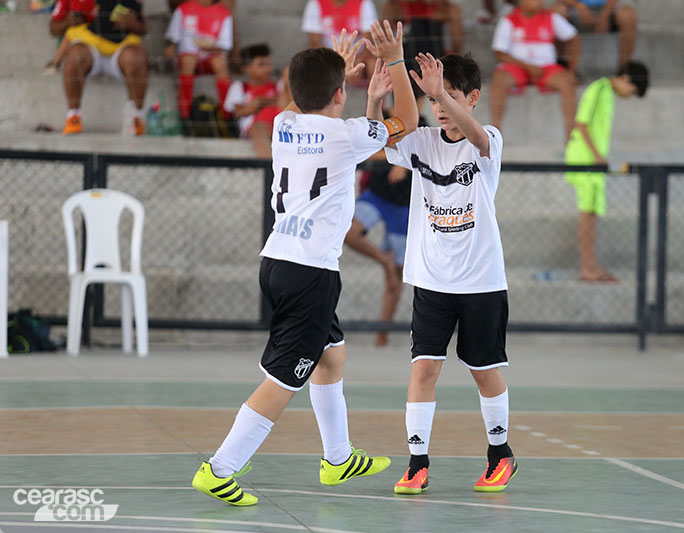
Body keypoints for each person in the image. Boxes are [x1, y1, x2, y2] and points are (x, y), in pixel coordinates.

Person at [190, 22, 419, 506]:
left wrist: (332, 69)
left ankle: (338, 459)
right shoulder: (345, 134)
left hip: (277, 261)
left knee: (331, 355)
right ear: (341, 93)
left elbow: (303, 98)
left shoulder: (283, 123)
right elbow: (411, 122)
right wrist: (395, 61)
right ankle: (220, 468)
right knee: (282, 380)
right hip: (310, 273)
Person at [379, 52, 516, 495]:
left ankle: (501, 453)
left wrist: (439, 90)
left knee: (484, 369)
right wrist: (374, 99)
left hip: (480, 281)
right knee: (423, 370)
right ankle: (417, 462)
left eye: (450, 97)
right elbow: (382, 144)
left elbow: (477, 136)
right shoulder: (421, 141)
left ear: (472, 98)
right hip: (432, 280)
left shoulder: (487, 138)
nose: (438, 106)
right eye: (433, 99)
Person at [345, 86, 427, 347]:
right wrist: (395, 160)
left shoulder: (423, 125)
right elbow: (365, 150)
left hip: (404, 205)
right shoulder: (382, 119)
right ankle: (383, 259)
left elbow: (426, 157)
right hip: (377, 196)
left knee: (398, 274)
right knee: (349, 231)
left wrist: (404, 162)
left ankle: (382, 333)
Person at [564, 62, 648, 282]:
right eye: (632, 90)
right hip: (586, 161)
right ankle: (587, 268)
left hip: (592, 162)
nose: (629, 96)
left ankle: (591, 266)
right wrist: (598, 157)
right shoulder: (599, 89)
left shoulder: (607, 93)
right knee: (587, 214)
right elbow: (581, 124)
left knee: (591, 214)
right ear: (626, 79)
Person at [489, 0, 580, 142]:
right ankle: (494, 136)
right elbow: (500, 53)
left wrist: (572, 69)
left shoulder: (552, 17)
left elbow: (573, 37)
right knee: (500, 79)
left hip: (546, 68)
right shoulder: (509, 20)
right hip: (517, 67)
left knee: (567, 81)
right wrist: (527, 67)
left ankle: (571, 136)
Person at [54, 0, 148, 135]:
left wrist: (133, 24)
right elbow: (54, 28)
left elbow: (144, 28)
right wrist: (70, 21)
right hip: (90, 48)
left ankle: (136, 118)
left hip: (121, 49)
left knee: (137, 56)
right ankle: (73, 117)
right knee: (75, 54)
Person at [165, 0, 234, 130]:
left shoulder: (224, 13)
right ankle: (184, 115)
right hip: (187, 58)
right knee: (188, 61)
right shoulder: (183, 9)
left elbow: (225, 46)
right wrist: (171, 47)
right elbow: (173, 38)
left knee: (221, 63)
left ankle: (227, 116)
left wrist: (211, 48)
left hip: (211, 57)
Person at [223, 43, 282, 159]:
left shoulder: (279, 86)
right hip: (256, 128)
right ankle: (269, 168)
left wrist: (259, 101)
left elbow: (287, 102)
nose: (268, 69)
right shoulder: (240, 87)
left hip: (280, 126)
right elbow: (239, 112)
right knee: (259, 129)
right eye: (262, 65)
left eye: (269, 64)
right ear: (247, 68)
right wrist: (263, 103)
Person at [301, 0, 378, 83]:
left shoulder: (364, 2)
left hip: (356, 55)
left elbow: (367, 42)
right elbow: (315, 44)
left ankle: (376, 95)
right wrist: (335, 63)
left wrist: (358, 60)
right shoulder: (315, 3)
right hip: (327, 55)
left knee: (373, 65)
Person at [552, 0, 637, 68]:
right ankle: (564, 67)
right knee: (557, 13)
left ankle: (624, 69)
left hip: (607, 7)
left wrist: (605, 14)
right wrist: (578, 6)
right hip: (574, 6)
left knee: (627, 16)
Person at [381, 0, 464, 59]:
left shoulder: (445, 8)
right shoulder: (394, 7)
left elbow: (457, 43)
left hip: (436, 54)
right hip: (405, 55)